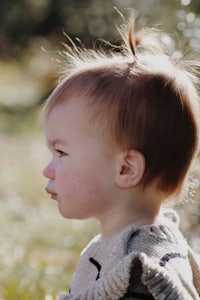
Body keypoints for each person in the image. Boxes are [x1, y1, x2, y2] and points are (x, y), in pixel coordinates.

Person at [43, 16, 200, 300]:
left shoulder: (140, 276)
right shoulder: (131, 244)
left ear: (127, 169)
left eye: (62, 153)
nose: (47, 170)